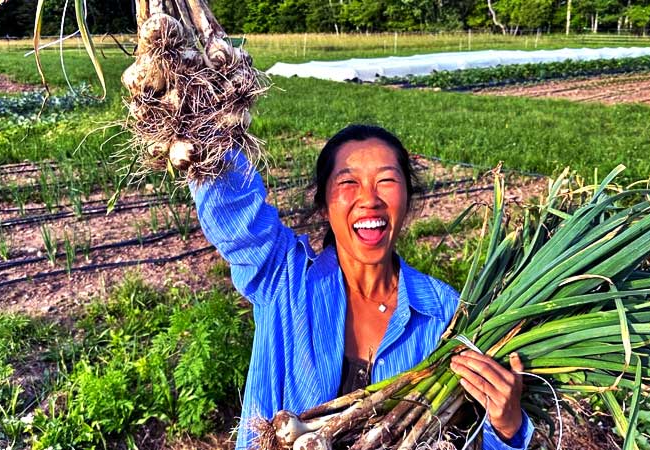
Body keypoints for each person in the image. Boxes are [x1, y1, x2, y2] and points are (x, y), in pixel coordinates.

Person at [192, 124, 534, 449]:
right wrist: (203, 114)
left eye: (386, 180)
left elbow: (464, 435)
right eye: (349, 182)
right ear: (324, 205)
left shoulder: (445, 315)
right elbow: (230, 209)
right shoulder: (284, 279)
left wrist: (506, 427)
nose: (369, 199)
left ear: (407, 200)